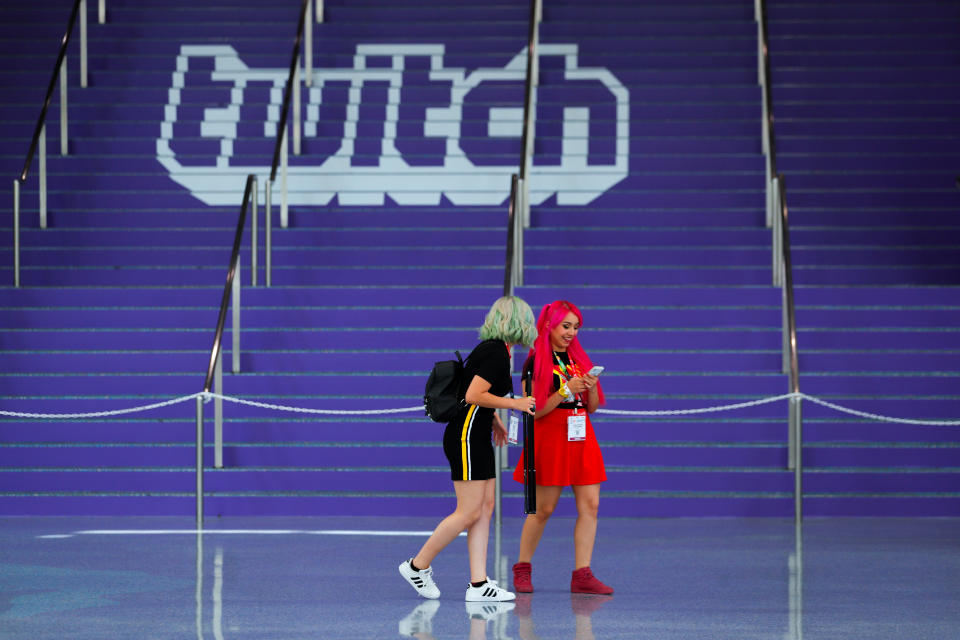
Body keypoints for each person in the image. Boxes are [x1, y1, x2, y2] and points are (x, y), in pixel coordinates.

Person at [400, 295, 538, 602]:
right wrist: (513, 404)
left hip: (477, 434)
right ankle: (417, 566)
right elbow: (475, 394)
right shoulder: (495, 353)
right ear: (518, 322)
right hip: (465, 437)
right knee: (468, 512)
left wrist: (495, 421)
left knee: (484, 509)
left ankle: (479, 584)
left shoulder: (497, 350)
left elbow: (473, 397)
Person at [511, 300, 613, 595]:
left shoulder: (577, 360)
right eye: (565, 326)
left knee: (591, 505)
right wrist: (565, 391)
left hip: (581, 437)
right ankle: (523, 568)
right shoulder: (534, 363)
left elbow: (592, 407)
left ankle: (582, 573)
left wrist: (590, 386)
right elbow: (535, 410)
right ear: (548, 325)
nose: (571, 332)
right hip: (550, 437)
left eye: (575, 327)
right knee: (543, 509)